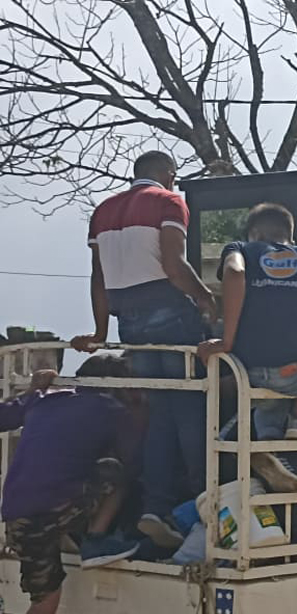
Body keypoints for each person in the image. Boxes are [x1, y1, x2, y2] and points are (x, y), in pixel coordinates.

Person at [72, 151, 215, 549]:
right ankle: (205, 505)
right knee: (190, 409)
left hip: (129, 322)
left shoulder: (103, 211)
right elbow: (174, 265)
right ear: (168, 175)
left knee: (160, 411)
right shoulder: (170, 202)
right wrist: (205, 299)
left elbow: (98, 278)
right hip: (170, 313)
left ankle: (156, 506)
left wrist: (101, 330)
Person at [3, 356, 143, 614]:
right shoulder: (113, 408)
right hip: (59, 506)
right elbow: (132, 458)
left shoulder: (46, 398)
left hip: (16, 512)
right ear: (119, 385)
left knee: (43, 598)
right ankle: (97, 540)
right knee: (117, 474)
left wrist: (34, 388)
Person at [197, 203, 297, 443]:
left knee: (269, 401)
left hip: (246, 374)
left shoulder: (241, 249)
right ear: (290, 234)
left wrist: (226, 342)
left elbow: (235, 273)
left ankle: (269, 445)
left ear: (255, 234)